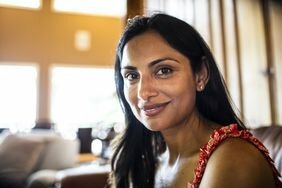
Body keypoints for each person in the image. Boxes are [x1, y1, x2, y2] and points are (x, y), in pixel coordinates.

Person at [110, 13, 282, 188]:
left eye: (164, 71)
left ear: (201, 75)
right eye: (132, 75)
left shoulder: (234, 159)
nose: (144, 92)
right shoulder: (145, 160)